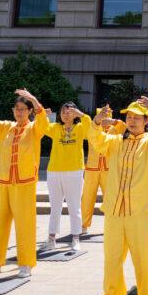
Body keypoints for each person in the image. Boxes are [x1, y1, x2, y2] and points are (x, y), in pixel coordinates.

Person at [88, 97, 148, 295]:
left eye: (137, 117)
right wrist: (97, 120)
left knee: (144, 259)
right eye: (129, 117)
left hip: (140, 212)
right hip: (115, 211)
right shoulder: (115, 142)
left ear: (146, 121)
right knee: (112, 259)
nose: (132, 120)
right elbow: (95, 139)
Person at [0, 88, 48, 278]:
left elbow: (43, 121)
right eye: (17, 109)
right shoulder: (6, 128)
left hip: (24, 183)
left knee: (25, 224)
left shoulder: (34, 129)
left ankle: (26, 264)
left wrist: (33, 98)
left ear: (30, 111)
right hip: (2, 182)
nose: (19, 112)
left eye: (23, 109)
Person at [42, 101, 90, 252]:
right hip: (54, 171)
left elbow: (91, 125)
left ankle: (75, 238)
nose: (66, 114)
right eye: (63, 112)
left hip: (74, 171)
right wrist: (43, 115)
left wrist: (80, 114)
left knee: (74, 206)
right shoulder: (56, 128)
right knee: (54, 207)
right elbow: (41, 127)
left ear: (75, 113)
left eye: (69, 112)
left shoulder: (81, 128)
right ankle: (51, 239)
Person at [81, 108, 125, 235]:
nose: (104, 120)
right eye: (102, 117)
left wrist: (114, 121)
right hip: (92, 168)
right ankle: (84, 224)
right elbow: (87, 126)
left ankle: (111, 224)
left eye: (107, 117)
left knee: (110, 197)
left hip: (109, 169)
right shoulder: (93, 129)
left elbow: (125, 126)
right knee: (87, 197)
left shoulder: (115, 130)